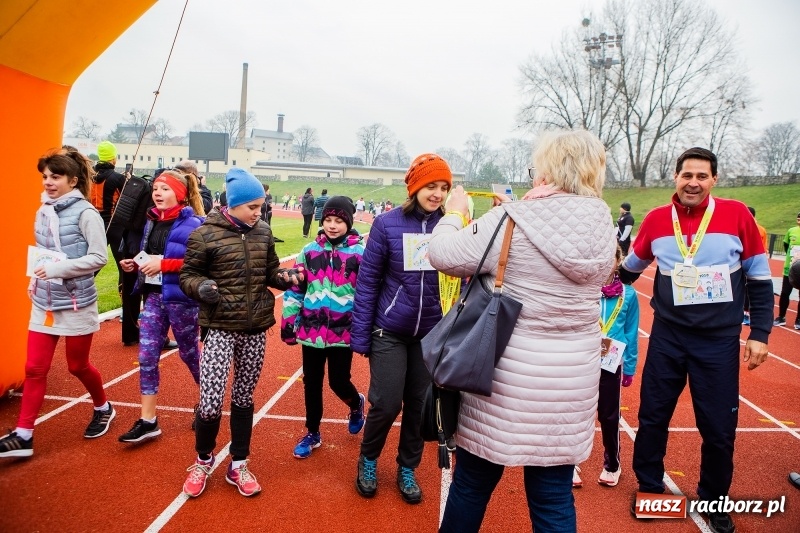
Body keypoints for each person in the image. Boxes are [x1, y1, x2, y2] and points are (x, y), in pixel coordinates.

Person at [430, 130, 617, 533]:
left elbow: (442, 254)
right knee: (553, 496)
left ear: (548, 170)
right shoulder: (603, 221)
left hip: (506, 375)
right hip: (571, 382)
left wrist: (455, 214)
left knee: (472, 485)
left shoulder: (513, 219)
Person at [620, 147, 772, 533]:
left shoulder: (737, 215)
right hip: (668, 337)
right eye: (687, 175)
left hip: (718, 341)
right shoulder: (656, 220)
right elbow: (629, 270)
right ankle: (651, 487)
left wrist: (760, 333)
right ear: (676, 177)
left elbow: (758, 277)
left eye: (702, 176)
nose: (693, 183)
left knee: (719, 429)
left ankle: (713, 500)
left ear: (714, 180)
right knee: (653, 417)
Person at [179, 167, 298, 498]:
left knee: (244, 398)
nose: (259, 213)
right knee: (211, 402)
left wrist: (284, 278)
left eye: (261, 207)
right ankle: (203, 460)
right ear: (233, 204)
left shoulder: (262, 232)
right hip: (219, 328)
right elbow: (187, 275)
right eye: (253, 207)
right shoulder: (204, 235)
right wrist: (201, 286)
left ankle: (238, 463)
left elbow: (270, 271)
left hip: (256, 328)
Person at [351, 153, 453, 505]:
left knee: (418, 404)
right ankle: (368, 458)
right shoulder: (387, 224)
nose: (437, 193)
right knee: (386, 401)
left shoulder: (450, 226)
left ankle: (407, 467)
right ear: (415, 187)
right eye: (431, 186)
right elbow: (367, 282)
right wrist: (361, 334)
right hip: (389, 330)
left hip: (430, 334)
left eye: (444, 188)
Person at [0, 148, 114, 458]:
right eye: (45, 177)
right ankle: (24, 435)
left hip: (76, 302)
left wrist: (56, 269)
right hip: (44, 300)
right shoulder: (42, 210)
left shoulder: (87, 213)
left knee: (77, 366)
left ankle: (103, 407)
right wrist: (36, 276)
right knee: (34, 368)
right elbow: (43, 251)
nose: (48, 182)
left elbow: (98, 257)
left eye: (55, 176)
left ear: (73, 180)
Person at [117, 171, 205, 443]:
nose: (157, 193)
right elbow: (152, 257)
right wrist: (136, 264)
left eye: (164, 189)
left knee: (191, 355)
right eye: (155, 188)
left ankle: (207, 402)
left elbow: (199, 263)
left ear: (179, 194)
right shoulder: (151, 221)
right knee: (146, 357)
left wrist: (163, 265)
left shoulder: (194, 224)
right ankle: (148, 420)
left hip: (183, 300)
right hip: (154, 297)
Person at [281, 196, 366, 459]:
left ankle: (356, 403)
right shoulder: (308, 251)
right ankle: (313, 432)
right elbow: (296, 289)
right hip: (310, 331)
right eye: (328, 220)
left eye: (338, 220)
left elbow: (367, 293)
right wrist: (288, 322)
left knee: (339, 381)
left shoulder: (360, 254)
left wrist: (364, 327)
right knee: (312, 383)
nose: (332, 225)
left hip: (343, 330)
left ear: (348, 223)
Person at [575, 243, 640, 489]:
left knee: (609, 414)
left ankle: (612, 464)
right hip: (581, 358)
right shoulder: (582, 289)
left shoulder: (629, 294)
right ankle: (570, 463)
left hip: (611, 361)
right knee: (577, 412)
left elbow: (632, 333)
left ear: (617, 261)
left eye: (609, 258)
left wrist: (630, 367)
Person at [90, 140, 125, 228]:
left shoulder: (88, 175)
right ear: (113, 159)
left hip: (91, 221)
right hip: (111, 225)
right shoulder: (118, 178)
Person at [742, 206, 768, 326]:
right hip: (753, 261)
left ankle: (745, 312)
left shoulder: (757, 229)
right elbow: (763, 248)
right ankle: (746, 312)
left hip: (745, 261)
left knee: (744, 287)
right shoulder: (762, 229)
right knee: (750, 288)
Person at [774, 212, 800, 329]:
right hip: (789, 269)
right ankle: (781, 317)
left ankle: (798, 320)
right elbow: (786, 246)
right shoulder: (791, 231)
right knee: (785, 293)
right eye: (798, 216)